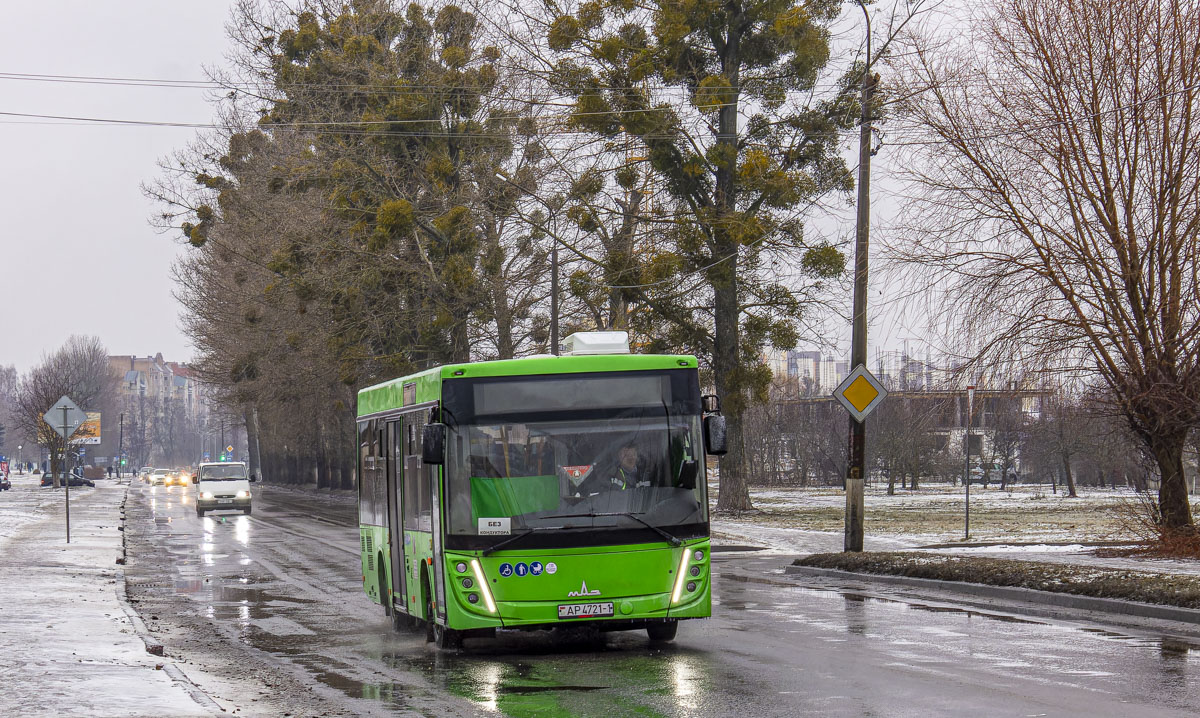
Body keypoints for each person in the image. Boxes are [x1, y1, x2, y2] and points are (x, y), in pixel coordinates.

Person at [577, 442, 650, 496]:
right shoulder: (608, 475)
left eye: (633, 454)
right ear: (619, 456)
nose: (630, 457)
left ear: (637, 456)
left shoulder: (648, 473)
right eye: (625, 454)